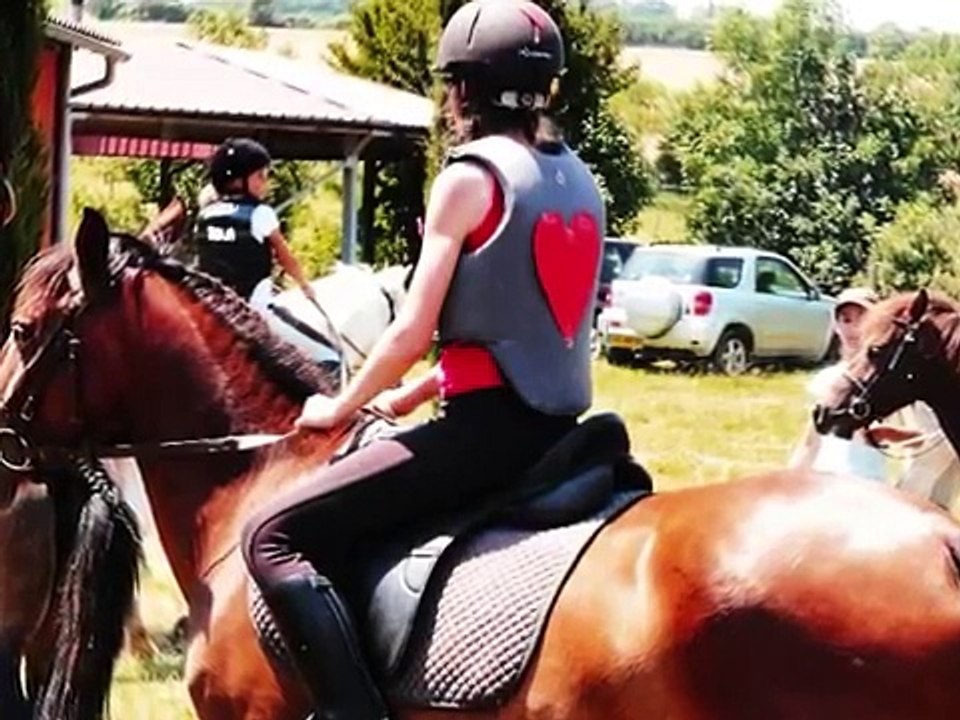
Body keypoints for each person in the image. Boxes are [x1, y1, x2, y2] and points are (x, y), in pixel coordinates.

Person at [240, 2, 605, 717]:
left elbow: (411, 329)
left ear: (465, 90)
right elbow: (527, 325)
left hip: (482, 439)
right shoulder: (578, 179)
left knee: (271, 536)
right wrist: (410, 397)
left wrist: (338, 407)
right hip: (564, 432)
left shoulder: (468, 179)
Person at [193, 138, 315, 301]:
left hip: (212, 301)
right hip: (254, 301)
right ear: (239, 180)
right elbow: (284, 256)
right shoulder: (260, 213)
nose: (265, 182)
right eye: (260, 176)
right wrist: (304, 285)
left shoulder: (205, 214)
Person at [790, 287, 887, 479]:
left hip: (869, 482)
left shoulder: (886, 381)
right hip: (826, 478)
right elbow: (811, 440)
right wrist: (790, 479)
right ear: (836, 326)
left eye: (862, 319)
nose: (853, 328)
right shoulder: (828, 379)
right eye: (846, 320)